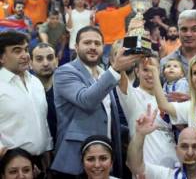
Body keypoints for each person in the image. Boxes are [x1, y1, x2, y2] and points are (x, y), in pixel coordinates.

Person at [51, 26, 142, 178]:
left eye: (97, 43)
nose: (92, 47)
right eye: (87, 43)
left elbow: (107, 118)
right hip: (75, 161)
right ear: (76, 46)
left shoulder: (103, 73)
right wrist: (115, 69)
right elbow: (86, 100)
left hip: (105, 161)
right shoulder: (65, 72)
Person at [127, 105, 196, 179]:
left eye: (195, 147)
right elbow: (136, 166)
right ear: (176, 150)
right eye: (184, 146)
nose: (190, 153)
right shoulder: (165, 176)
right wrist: (140, 134)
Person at [116, 56, 178, 168]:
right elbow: (120, 77)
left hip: (174, 167)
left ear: (159, 71)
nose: (150, 74)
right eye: (145, 70)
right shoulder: (132, 95)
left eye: (153, 69)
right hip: (146, 169)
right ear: (137, 72)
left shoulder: (168, 98)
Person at [0, 31, 52, 161]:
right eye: (17, 51)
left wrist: (47, 152)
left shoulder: (35, 82)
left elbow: (42, 122)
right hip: (10, 165)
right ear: (2, 57)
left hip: (40, 161)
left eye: (26, 49)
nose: (25, 55)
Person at [30, 43, 58, 145]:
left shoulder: (67, 89)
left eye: (50, 58)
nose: (45, 63)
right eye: (39, 59)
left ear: (57, 61)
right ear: (30, 63)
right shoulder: (25, 91)